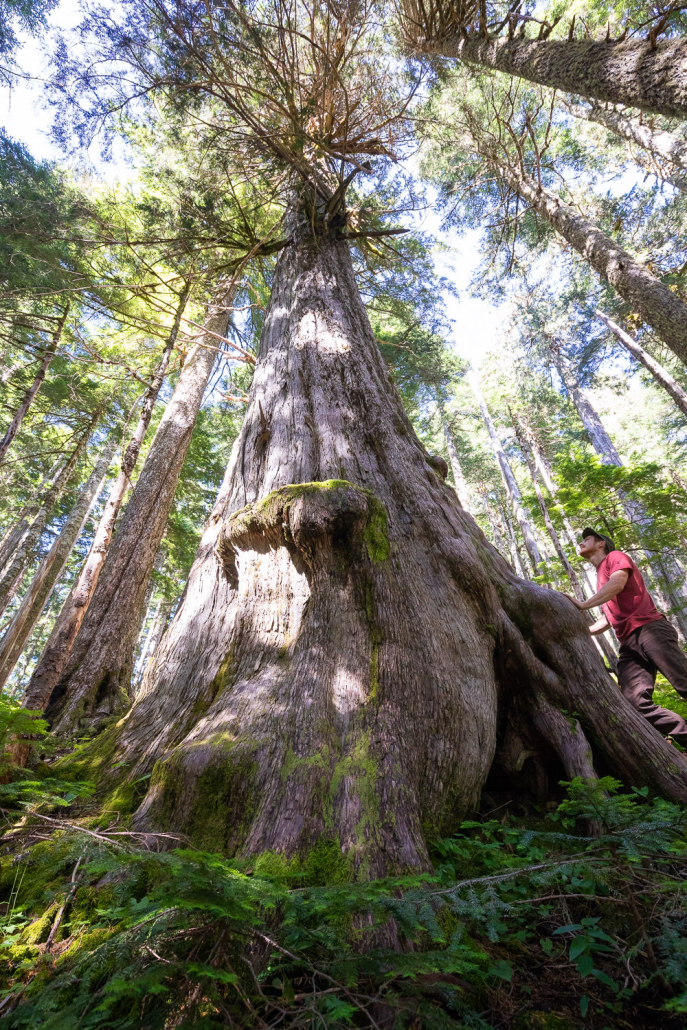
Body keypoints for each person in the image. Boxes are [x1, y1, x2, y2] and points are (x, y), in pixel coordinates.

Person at [563, 528, 687, 749]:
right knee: (634, 703)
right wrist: (584, 631)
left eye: (587, 539)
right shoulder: (601, 578)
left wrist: (582, 605)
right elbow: (608, 616)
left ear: (601, 543)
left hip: (650, 629)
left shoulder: (615, 557)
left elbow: (618, 583)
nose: (581, 543)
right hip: (628, 644)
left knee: (684, 682)